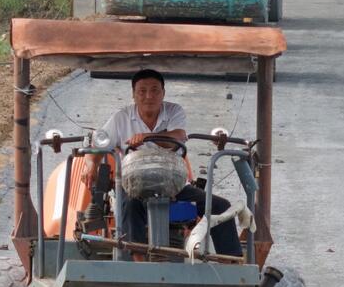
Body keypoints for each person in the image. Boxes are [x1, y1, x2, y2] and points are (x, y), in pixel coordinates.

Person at [98, 69, 242, 257]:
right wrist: (90, 164)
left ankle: (231, 262)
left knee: (220, 205)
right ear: (133, 94)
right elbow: (99, 141)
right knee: (130, 204)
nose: (149, 96)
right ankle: (137, 262)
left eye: (155, 90)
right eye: (142, 91)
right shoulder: (121, 117)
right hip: (134, 181)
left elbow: (178, 136)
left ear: (163, 93)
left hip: (171, 181)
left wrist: (147, 137)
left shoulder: (174, 111)